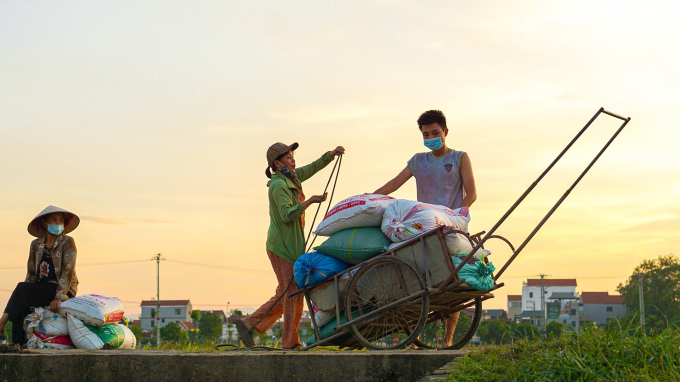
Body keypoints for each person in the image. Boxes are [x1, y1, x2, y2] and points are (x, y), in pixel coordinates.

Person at [373, 109, 477, 347]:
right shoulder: (418, 161)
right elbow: (394, 183)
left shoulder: (459, 157)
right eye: (426, 134)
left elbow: (471, 193)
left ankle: (448, 341)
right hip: (422, 227)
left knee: (452, 282)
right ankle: (414, 338)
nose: (431, 137)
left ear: (446, 132)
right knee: (417, 282)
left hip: (451, 226)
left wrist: (456, 215)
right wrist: (370, 196)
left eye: (435, 133)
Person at [235, 142, 345, 350]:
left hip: (292, 246)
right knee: (291, 292)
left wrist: (330, 155)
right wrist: (310, 201)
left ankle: (249, 324)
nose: (293, 160)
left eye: (293, 156)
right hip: (281, 247)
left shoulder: (292, 179)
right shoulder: (278, 186)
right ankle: (289, 341)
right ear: (277, 164)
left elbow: (311, 168)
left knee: (290, 291)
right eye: (288, 157)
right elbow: (286, 214)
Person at [0, 206, 80, 346]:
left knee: (22, 290)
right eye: (53, 220)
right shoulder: (36, 245)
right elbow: (31, 274)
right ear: (44, 223)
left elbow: (68, 271)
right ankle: (17, 344)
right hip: (41, 288)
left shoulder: (67, 242)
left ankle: (1, 323)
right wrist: (24, 295)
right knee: (21, 302)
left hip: (62, 289)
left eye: (61, 220)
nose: (58, 223)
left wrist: (58, 297)